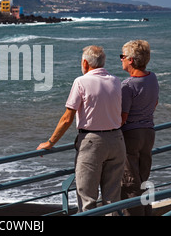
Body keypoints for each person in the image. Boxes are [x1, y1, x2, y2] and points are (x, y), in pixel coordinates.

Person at [37, 46, 126, 212]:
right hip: (117, 140)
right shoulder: (115, 80)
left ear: (85, 63)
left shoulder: (81, 81)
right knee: (113, 200)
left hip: (92, 142)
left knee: (87, 199)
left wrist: (50, 142)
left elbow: (67, 118)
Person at [120, 40, 159, 216]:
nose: (120, 59)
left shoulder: (127, 86)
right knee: (143, 179)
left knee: (130, 183)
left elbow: (123, 117)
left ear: (131, 60)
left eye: (122, 56)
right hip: (148, 133)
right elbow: (155, 103)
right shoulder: (152, 77)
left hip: (131, 136)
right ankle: (147, 212)